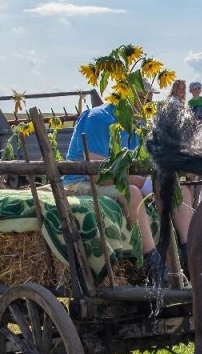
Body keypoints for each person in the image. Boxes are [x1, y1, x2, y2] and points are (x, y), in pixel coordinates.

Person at [61, 93, 192, 285]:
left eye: (148, 98)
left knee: (180, 190)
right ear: (126, 93)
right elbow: (98, 173)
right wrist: (142, 182)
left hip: (120, 181)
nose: (146, 102)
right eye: (141, 96)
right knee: (131, 192)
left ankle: (189, 255)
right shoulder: (98, 118)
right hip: (81, 182)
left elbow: (145, 162)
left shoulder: (137, 124)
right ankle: (153, 262)